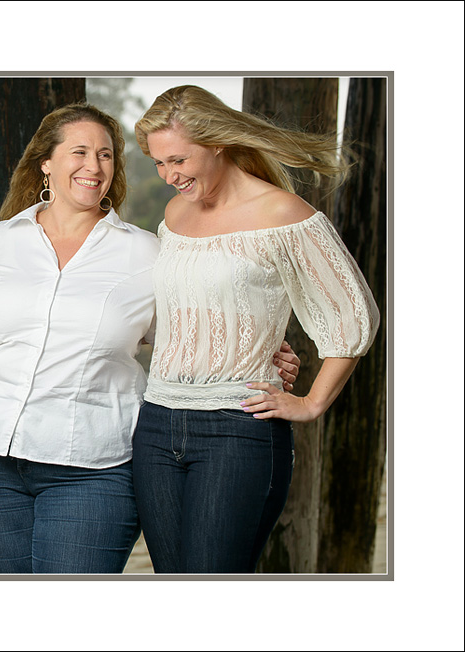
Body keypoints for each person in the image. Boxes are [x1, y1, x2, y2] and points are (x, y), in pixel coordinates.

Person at [0, 102, 302, 574]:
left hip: (93, 468)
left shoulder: (146, 253)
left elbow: (195, 328)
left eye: (105, 155)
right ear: (46, 163)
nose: (93, 166)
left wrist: (261, 350)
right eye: (79, 151)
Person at [130, 85, 380, 573]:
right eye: (160, 164)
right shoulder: (175, 215)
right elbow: (189, 308)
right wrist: (259, 333)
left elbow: (353, 315)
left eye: (178, 160)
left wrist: (310, 404)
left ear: (218, 142)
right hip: (157, 424)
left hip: (237, 430)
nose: (169, 176)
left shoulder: (282, 214)